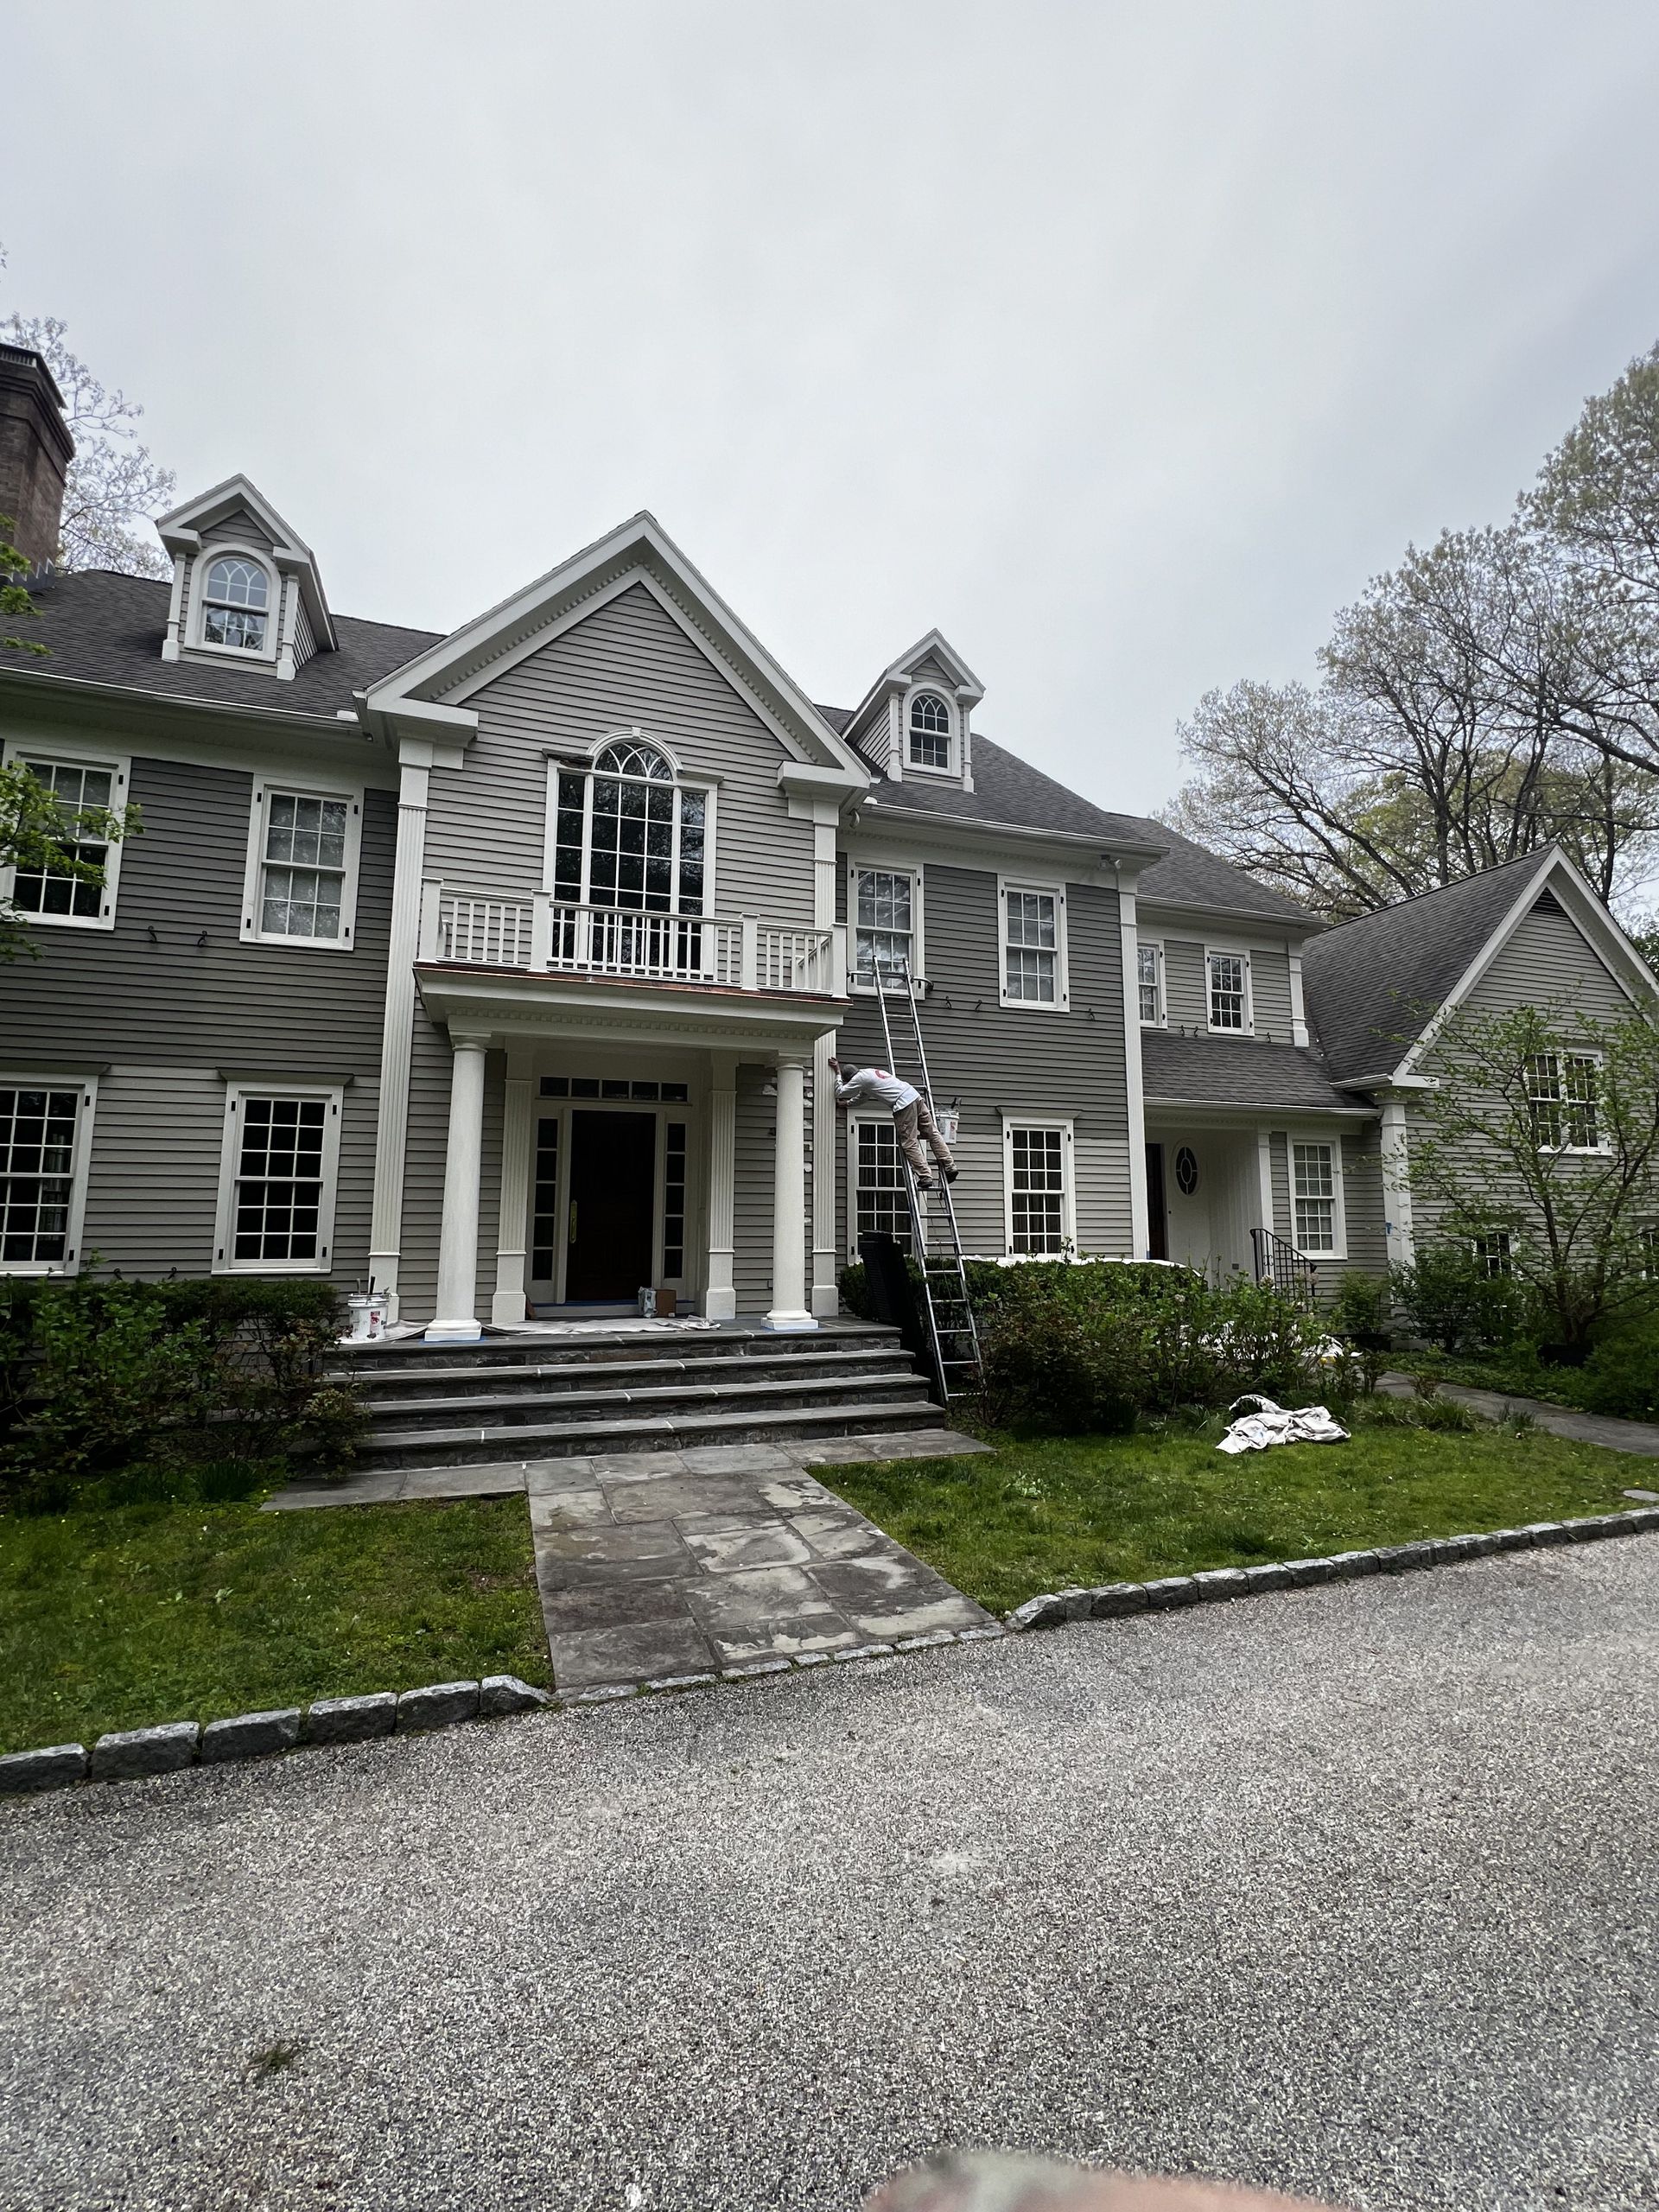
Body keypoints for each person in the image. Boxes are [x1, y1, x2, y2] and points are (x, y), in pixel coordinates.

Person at [828, 1056, 957, 1188]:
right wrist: (847, 1104)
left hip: (904, 1104)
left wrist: (837, 1071)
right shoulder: (868, 1073)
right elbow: (862, 1097)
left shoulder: (859, 1079)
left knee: (909, 1142)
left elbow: (839, 1091)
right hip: (915, 1096)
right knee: (932, 1133)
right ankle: (950, 1166)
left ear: (848, 1078)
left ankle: (925, 1176)